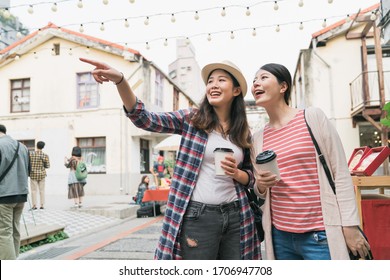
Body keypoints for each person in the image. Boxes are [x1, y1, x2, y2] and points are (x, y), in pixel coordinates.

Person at [80, 57, 261, 260]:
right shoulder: (192, 120)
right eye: (210, 81)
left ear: (236, 90)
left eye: (221, 80)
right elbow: (144, 119)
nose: (213, 85)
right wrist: (121, 81)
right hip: (197, 215)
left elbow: (251, 177)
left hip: (237, 214)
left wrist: (237, 173)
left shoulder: (243, 133)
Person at [250, 63, 371, 260]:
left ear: (283, 87)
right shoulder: (258, 138)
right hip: (280, 235)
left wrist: (349, 225)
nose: (256, 83)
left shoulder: (312, 118)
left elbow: (340, 172)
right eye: (254, 80)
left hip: (320, 233)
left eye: (263, 78)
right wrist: (261, 186)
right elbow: (260, 190)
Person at [0, 124, 30, 260]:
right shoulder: (22, 147)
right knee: (15, 228)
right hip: (21, 194)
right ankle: (15, 258)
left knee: (4, 232)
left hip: (4, 194)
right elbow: (27, 171)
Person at [29, 141, 50, 210]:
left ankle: (34, 205)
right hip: (42, 174)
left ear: (36, 146)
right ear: (43, 147)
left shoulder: (31, 154)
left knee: (33, 190)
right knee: (42, 190)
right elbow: (48, 166)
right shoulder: (45, 155)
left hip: (33, 174)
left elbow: (28, 164)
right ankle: (42, 205)